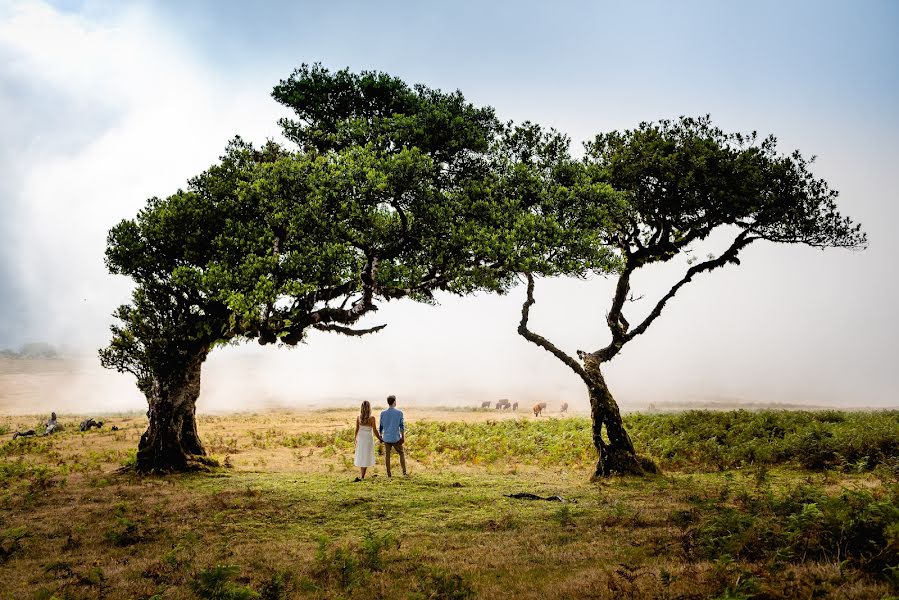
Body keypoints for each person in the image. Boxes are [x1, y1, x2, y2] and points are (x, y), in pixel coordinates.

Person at [378, 395, 407, 477]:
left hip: (386, 438)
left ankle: (388, 473)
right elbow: (401, 426)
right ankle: (404, 472)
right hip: (395, 438)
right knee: (401, 453)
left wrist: (380, 436)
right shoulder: (399, 413)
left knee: (387, 455)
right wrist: (403, 437)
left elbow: (380, 426)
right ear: (394, 402)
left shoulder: (383, 413)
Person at [353, 400, 381, 480]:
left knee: (362, 455)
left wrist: (355, 438)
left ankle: (362, 475)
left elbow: (357, 429)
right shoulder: (372, 418)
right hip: (368, 438)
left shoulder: (359, 418)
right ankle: (362, 476)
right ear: (369, 408)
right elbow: (375, 430)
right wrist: (380, 438)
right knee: (365, 455)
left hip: (361, 438)